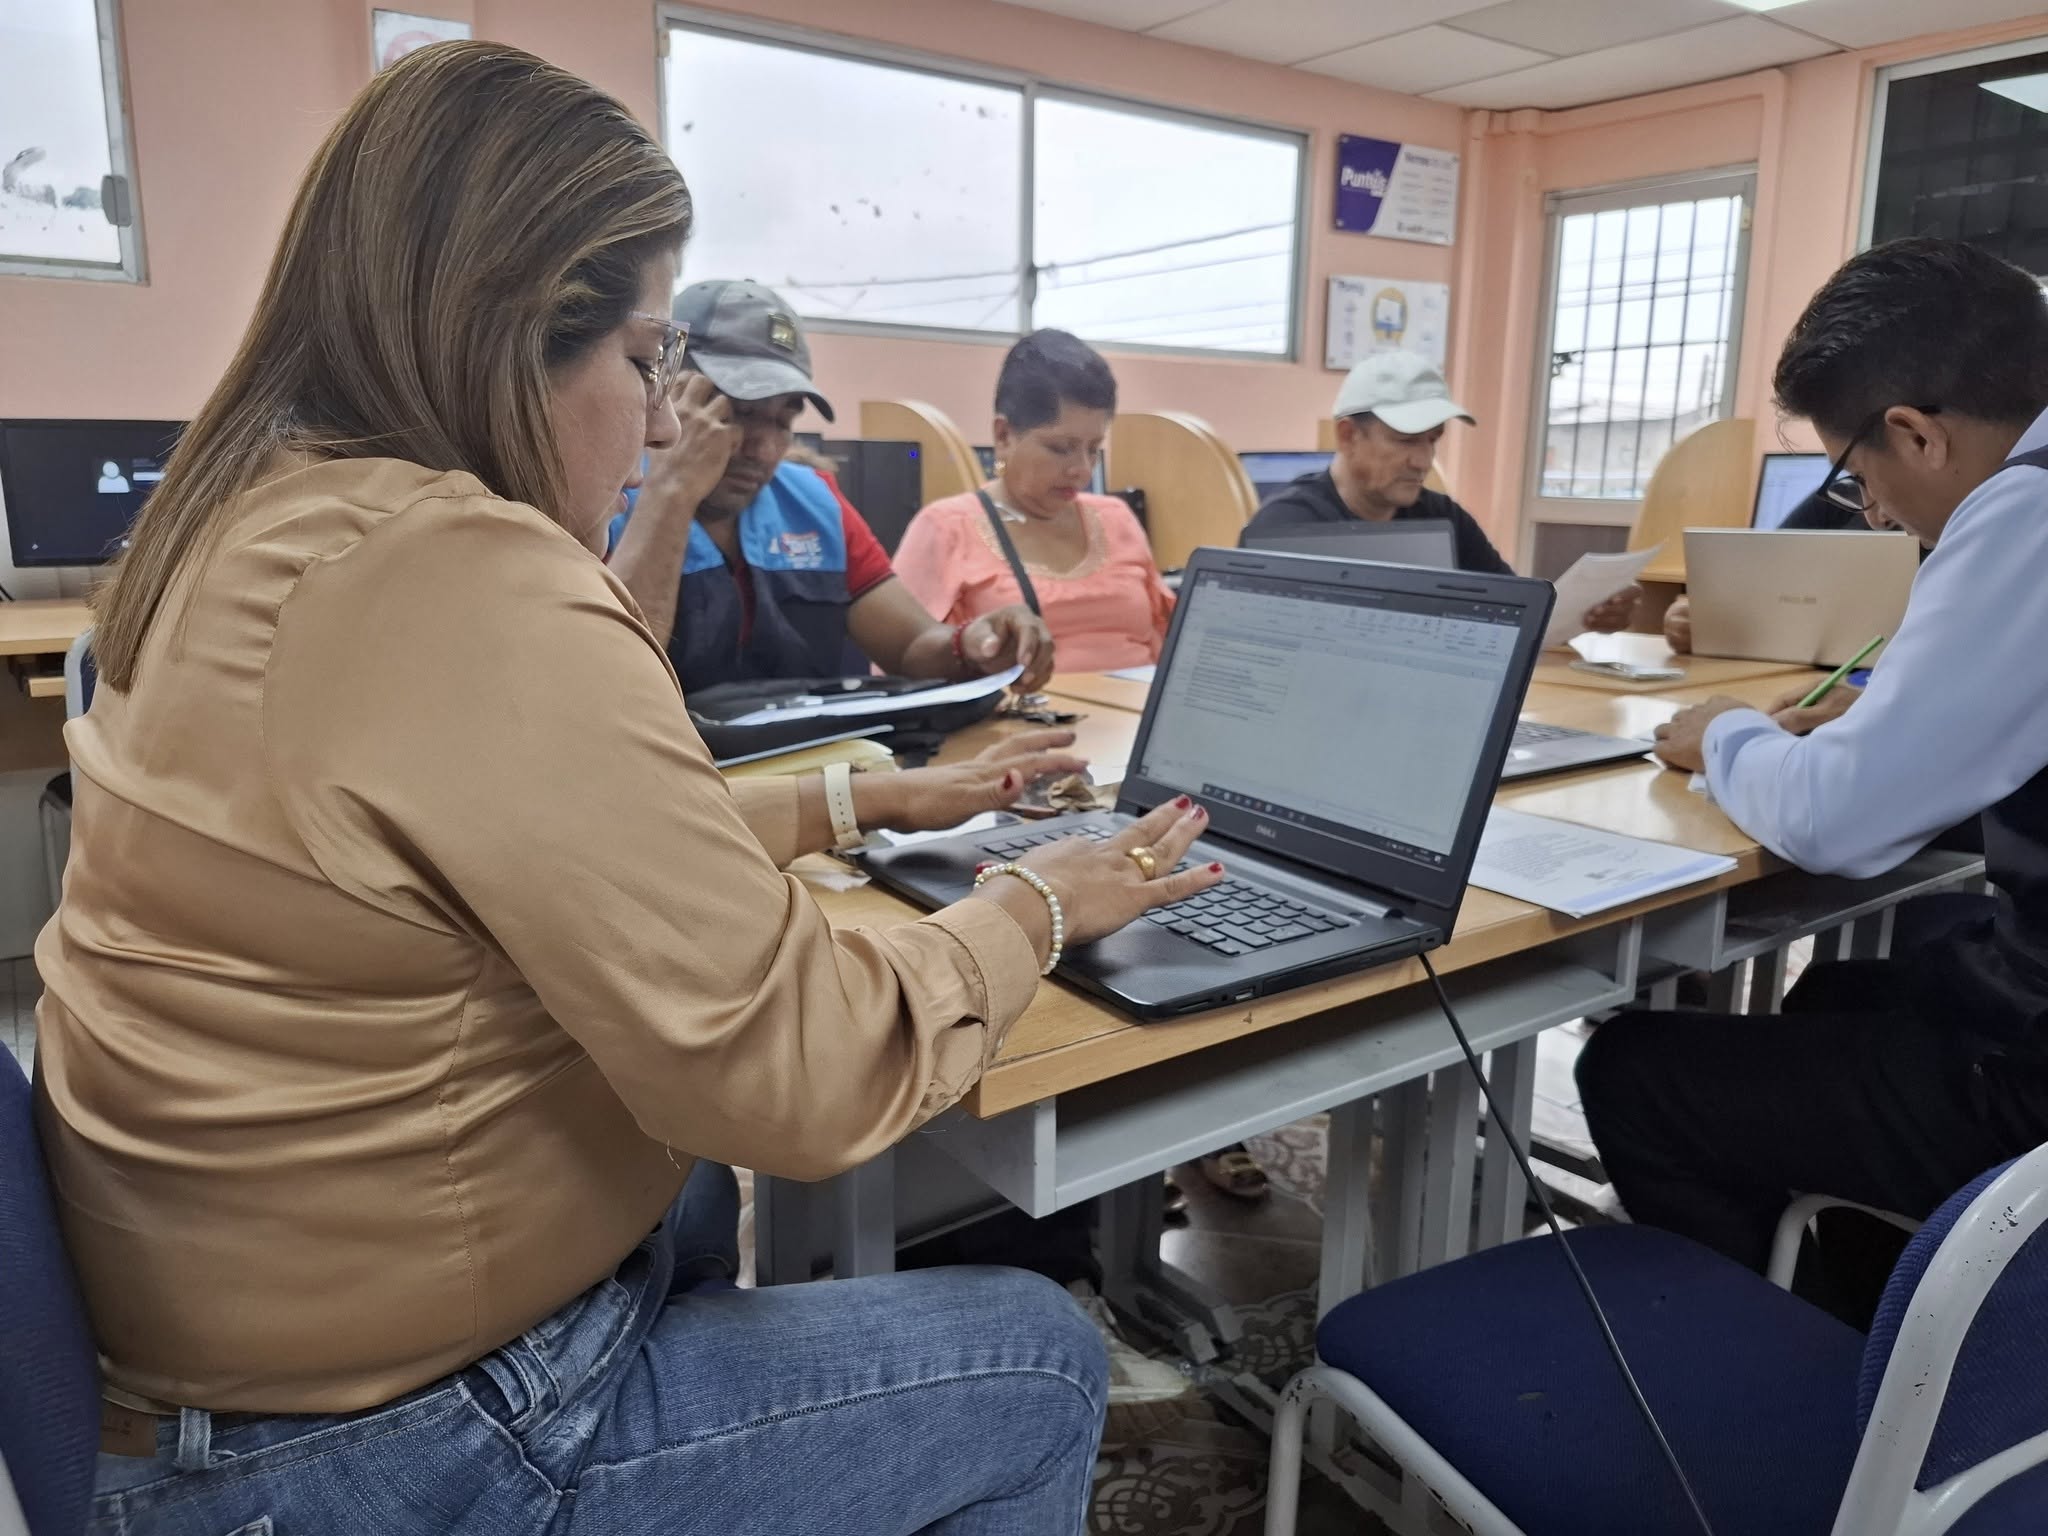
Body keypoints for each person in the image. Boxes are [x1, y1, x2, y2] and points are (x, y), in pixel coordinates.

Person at [44, 43, 1233, 1536]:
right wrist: (1034, 904)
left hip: (218, 1358)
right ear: (516, 333)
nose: (662, 420)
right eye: (641, 361)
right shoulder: (465, 577)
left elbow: (509, 845)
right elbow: (809, 1072)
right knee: (1036, 1361)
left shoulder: (261, 519)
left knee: (685, 1188)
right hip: (352, 1453)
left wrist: (867, 805)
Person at [1583, 237, 2048, 1323]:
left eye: (1857, 477)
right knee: (1837, 993)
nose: (1872, 511)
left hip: (2032, 1073)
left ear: (1916, 433)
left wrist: (1727, 738)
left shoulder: (2021, 514)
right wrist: (1884, 727)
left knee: (1632, 1072)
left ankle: (1785, 1363)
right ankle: (1869, 1290)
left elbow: (1835, 824)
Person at [608, 280, 1056, 694]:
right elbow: (615, 681)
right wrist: (671, 491)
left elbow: (911, 647)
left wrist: (974, 643)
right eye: (741, 412)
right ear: (668, 389)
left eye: (783, 421)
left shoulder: (816, 503)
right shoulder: (605, 506)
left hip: (816, 754)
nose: (764, 449)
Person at [1240, 351, 1639, 635]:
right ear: (1348, 436)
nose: (1423, 461)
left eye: (1433, 440)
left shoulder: (1442, 517)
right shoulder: (1286, 528)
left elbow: (1513, 611)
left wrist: (1584, 616)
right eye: (1406, 440)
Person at [895, 329, 1173, 673]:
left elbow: (1165, 640)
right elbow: (905, 659)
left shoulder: (1116, 519)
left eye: (1093, 449)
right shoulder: (945, 528)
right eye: (1060, 448)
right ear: (1004, 436)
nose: (1082, 470)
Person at [1661, 484, 1901, 654]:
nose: (1877, 519)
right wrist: (1702, 617)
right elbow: (1765, 579)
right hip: (1798, 670)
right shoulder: (1837, 498)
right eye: (1858, 475)